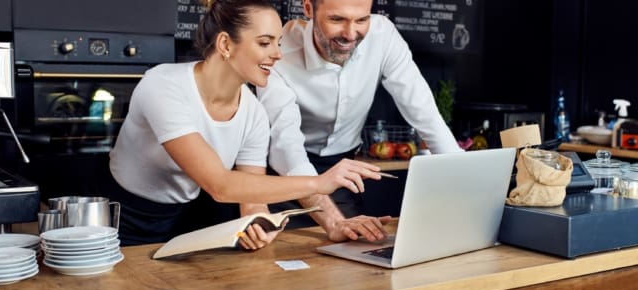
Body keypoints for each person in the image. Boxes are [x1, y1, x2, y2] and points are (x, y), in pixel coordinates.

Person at [102, 0, 387, 248]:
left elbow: (252, 195)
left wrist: (258, 222)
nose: (277, 54)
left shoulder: (254, 113)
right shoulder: (164, 85)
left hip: (189, 220)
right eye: (265, 43)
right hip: (122, 220)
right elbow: (220, 185)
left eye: (278, 43)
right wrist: (320, 182)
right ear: (225, 44)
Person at [256, 0, 463, 242]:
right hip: (285, 176)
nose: (350, 34)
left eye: (362, 20)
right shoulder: (279, 52)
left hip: (343, 169)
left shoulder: (383, 35)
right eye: (337, 20)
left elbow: (424, 112)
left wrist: (464, 181)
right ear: (309, 9)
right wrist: (333, 221)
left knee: (353, 253)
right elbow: (286, 148)